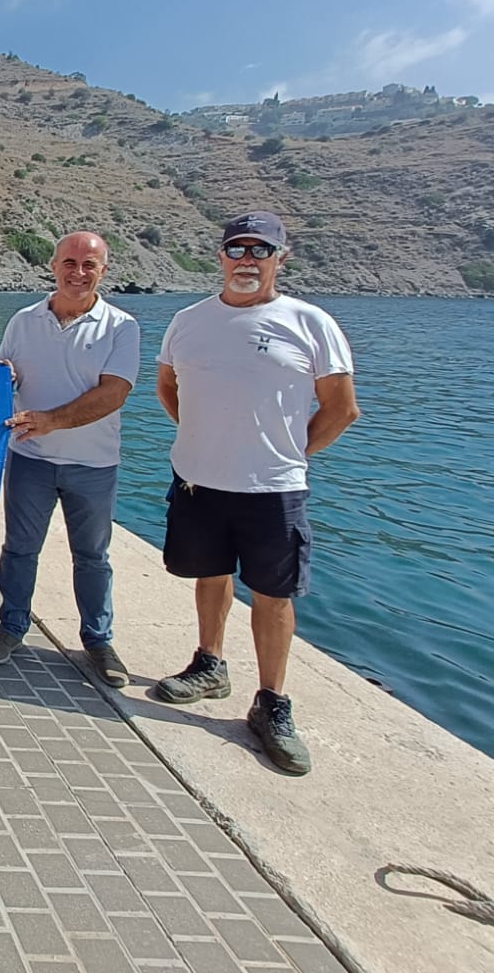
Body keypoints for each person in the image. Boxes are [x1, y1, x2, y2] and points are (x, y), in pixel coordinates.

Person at [152, 211, 360, 776]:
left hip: (273, 488)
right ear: (221, 256)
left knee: (273, 594)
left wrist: (289, 453)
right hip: (199, 481)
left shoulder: (310, 322)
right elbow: (168, 386)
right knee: (210, 575)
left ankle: (271, 702)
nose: (247, 259)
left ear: (280, 258)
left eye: (260, 250)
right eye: (238, 249)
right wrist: (203, 436)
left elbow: (341, 408)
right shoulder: (188, 321)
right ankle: (210, 665)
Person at [0, 232, 140, 689]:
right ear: (53, 266)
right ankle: (11, 627)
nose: (78, 272)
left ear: (104, 271)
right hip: (29, 458)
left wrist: (53, 420)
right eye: (69, 262)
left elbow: (114, 393)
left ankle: (98, 640)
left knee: (92, 556)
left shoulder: (121, 327)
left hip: (93, 465)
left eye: (89, 265)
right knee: (19, 549)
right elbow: (6, 376)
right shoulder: (23, 321)